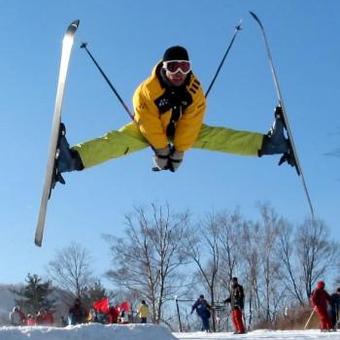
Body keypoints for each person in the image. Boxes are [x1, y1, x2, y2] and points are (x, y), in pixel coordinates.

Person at [54, 45, 293, 183]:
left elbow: (191, 123)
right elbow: (148, 123)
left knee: (216, 137)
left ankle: (270, 145)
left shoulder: (194, 90)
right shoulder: (147, 91)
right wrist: (161, 151)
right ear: (164, 68)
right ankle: (72, 160)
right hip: (151, 129)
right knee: (120, 141)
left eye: (185, 67)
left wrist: (177, 152)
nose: (179, 73)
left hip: (180, 129)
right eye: (173, 67)